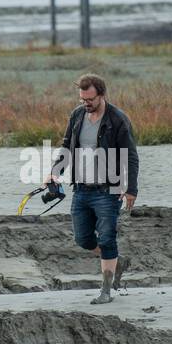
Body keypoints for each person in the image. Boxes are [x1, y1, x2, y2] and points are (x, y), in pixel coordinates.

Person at [46, 73, 139, 304]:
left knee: (107, 239)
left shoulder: (117, 119)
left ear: (101, 95)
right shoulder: (77, 115)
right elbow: (66, 146)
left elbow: (131, 156)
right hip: (81, 189)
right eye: (82, 99)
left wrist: (131, 189)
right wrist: (55, 172)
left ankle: (106, 291)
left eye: (89, 99)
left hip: (109, 190)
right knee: (83, 239)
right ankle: (117, 261)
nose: (85, 103)